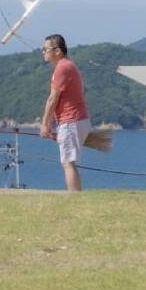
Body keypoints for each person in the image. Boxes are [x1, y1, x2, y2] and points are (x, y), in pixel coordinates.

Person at [39, 33, 89, 192]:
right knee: (70, 162)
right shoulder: (69, 66)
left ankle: (74, 198)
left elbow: (52, 99)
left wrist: (45, 125)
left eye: (46, 49)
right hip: (75, 120)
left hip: (70, 121)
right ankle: (76, 196)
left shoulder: (62, 68)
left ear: (58, 51)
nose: (43, 52)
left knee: (68, 163)